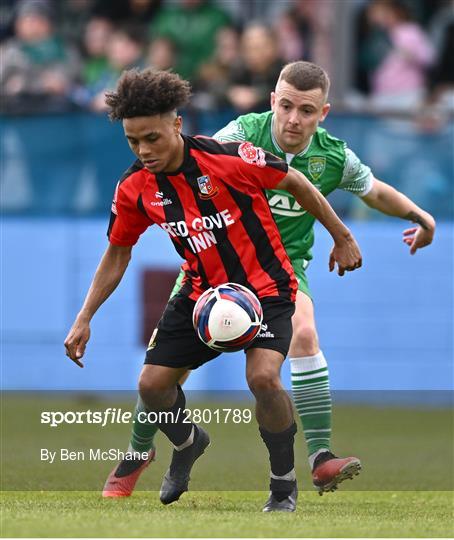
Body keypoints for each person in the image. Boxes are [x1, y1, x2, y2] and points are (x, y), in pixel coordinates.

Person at [102, 61, 436, 500]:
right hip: (214, 265)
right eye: (286, 106)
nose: (294, 118)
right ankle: (138, 451)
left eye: (307, 110)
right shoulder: (240, 135)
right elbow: (192, 170)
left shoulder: (334, 157)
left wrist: (420, 217)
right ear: (272, 102)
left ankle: (319, 458)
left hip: (281, 268)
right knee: (161, 372)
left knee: (304, 333)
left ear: (324, 113)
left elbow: (374, 191)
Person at [64, 68, 362, 512]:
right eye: (133, 141)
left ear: (177, 124)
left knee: (263, 378)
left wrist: (341, 236)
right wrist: (84, 316)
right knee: (152, 385)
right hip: (201, 293)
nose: (144, 150)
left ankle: (283, 484)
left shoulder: (227, 158)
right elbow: (118, 252)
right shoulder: (134, 188)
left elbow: (296, 182)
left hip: (266, 288)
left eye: (153, 138)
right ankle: (187, 442)